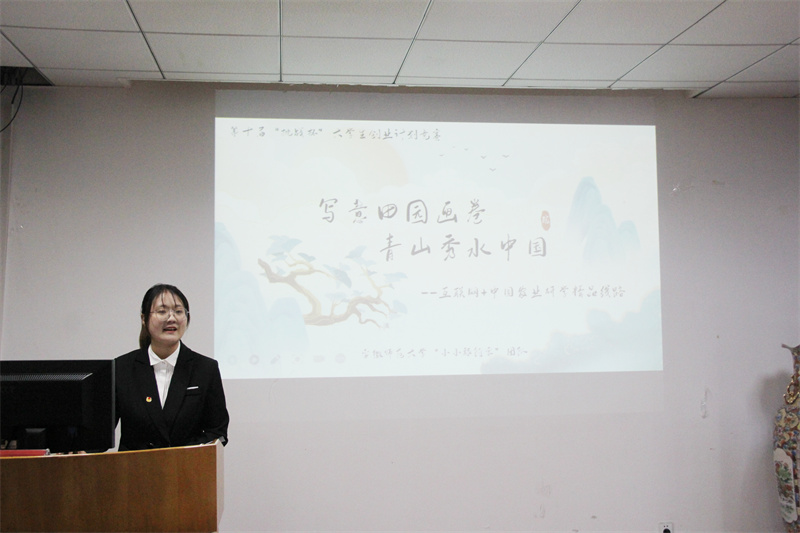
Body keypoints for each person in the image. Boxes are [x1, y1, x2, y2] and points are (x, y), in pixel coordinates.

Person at [115, 284, 229, 451]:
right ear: (143, 318)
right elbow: (100, 432)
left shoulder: (205, 369)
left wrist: (182, 454)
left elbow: (217, 431)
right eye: (162, 311)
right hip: (135, 466)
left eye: (178, 311)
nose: (171, 318)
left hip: (186, 465)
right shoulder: (122, 368)